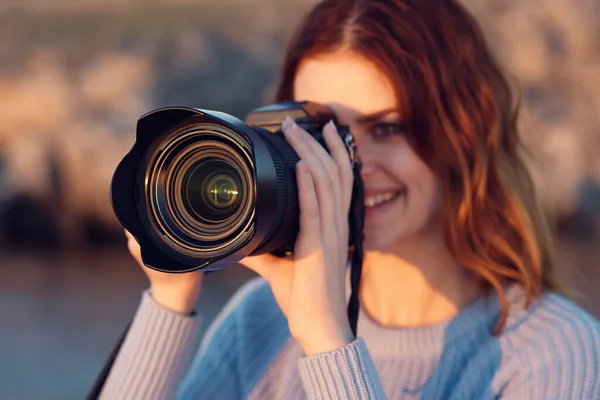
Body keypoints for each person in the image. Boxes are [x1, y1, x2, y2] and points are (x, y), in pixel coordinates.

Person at [98, 0, 600, 399]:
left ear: (464, 134)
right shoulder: (263, 320)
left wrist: (327, 342)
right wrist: (170, 299)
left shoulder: (552, 352)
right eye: (323, 132)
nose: (349, 164)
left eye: (387, 127)